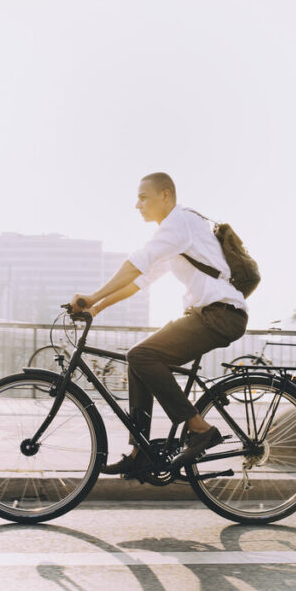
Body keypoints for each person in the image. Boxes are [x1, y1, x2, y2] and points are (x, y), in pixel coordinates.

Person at [72, 172, 248, 475]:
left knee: (142, 355)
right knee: (138, 358)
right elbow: (141, 279)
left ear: (165, 195)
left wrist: (92, 296)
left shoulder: (178, 223)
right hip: (209, 314)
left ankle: (200, 429)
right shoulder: (179, 233)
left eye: (143, 197)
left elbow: (137, 262)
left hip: (220, 314)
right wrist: (98, 307)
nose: (137, 204)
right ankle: (140, 451)